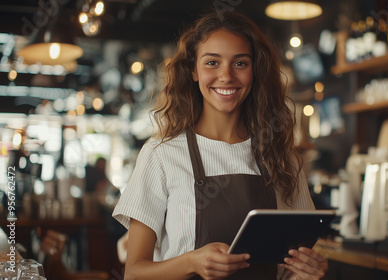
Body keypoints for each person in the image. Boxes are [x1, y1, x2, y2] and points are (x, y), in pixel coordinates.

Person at [112, 9, 328, 280]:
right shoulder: (161, 155)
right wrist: (191, 262)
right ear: (193, 70)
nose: (226, 76)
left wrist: (310, 272)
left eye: (240, 63)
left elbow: (289, 269)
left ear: (255, 71)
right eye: (212, 63)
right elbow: (134, 272)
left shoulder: (283, 158)